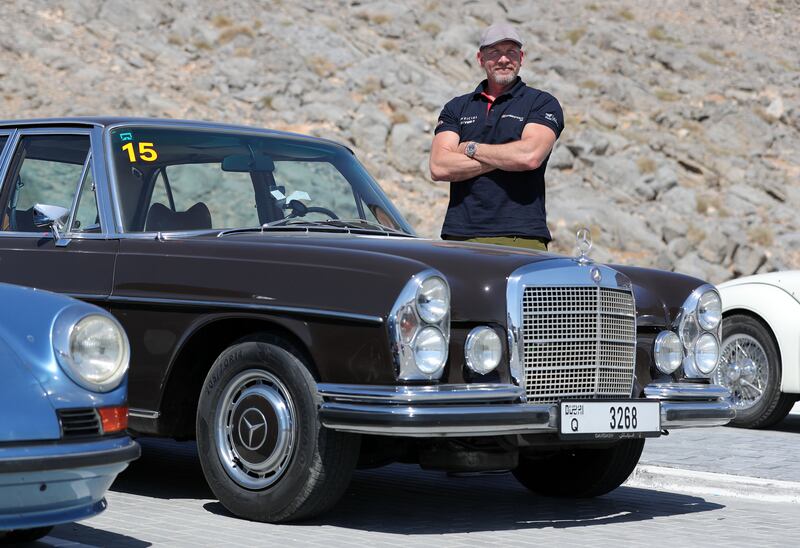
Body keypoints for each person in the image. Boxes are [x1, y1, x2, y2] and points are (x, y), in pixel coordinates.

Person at [429, 22, 564, 251]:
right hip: (458, 236)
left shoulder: (541, 103)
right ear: (480, 59)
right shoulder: (457, 107)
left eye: (511, 52)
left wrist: (471, 148)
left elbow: (529, 157)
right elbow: (439, 167)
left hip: (520, 236)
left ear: (521, 57)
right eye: (495, 53)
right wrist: (507, 156)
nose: (503, 59)